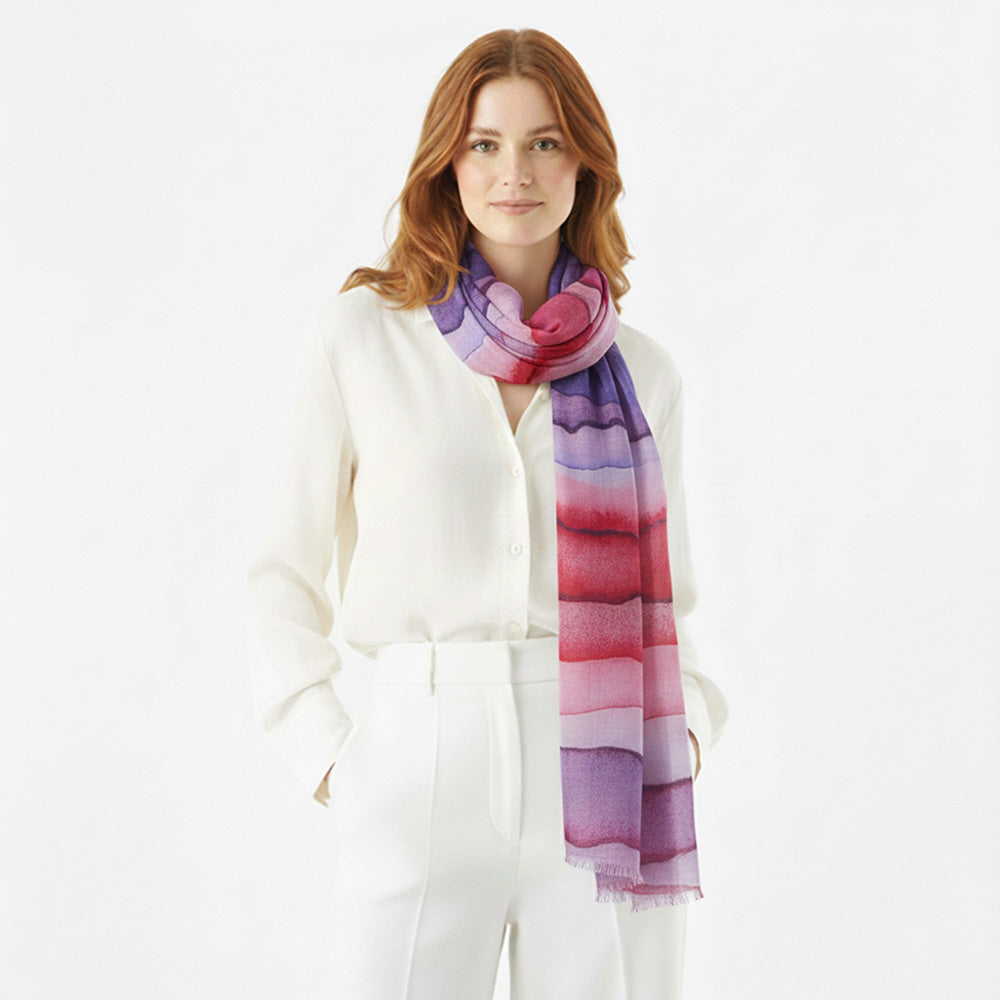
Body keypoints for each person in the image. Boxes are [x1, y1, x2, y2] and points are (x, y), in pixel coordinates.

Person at [247, 27, 727, 1000]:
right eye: (485, 144)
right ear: (447, 163)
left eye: (545, 142)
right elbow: (279, 575)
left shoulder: (643, 372)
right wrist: (335, 760)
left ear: (584, 165)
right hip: (418, 763)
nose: (516, 172)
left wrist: (681, 741)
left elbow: (668, 605)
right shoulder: (362, 339)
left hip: (604, 770)